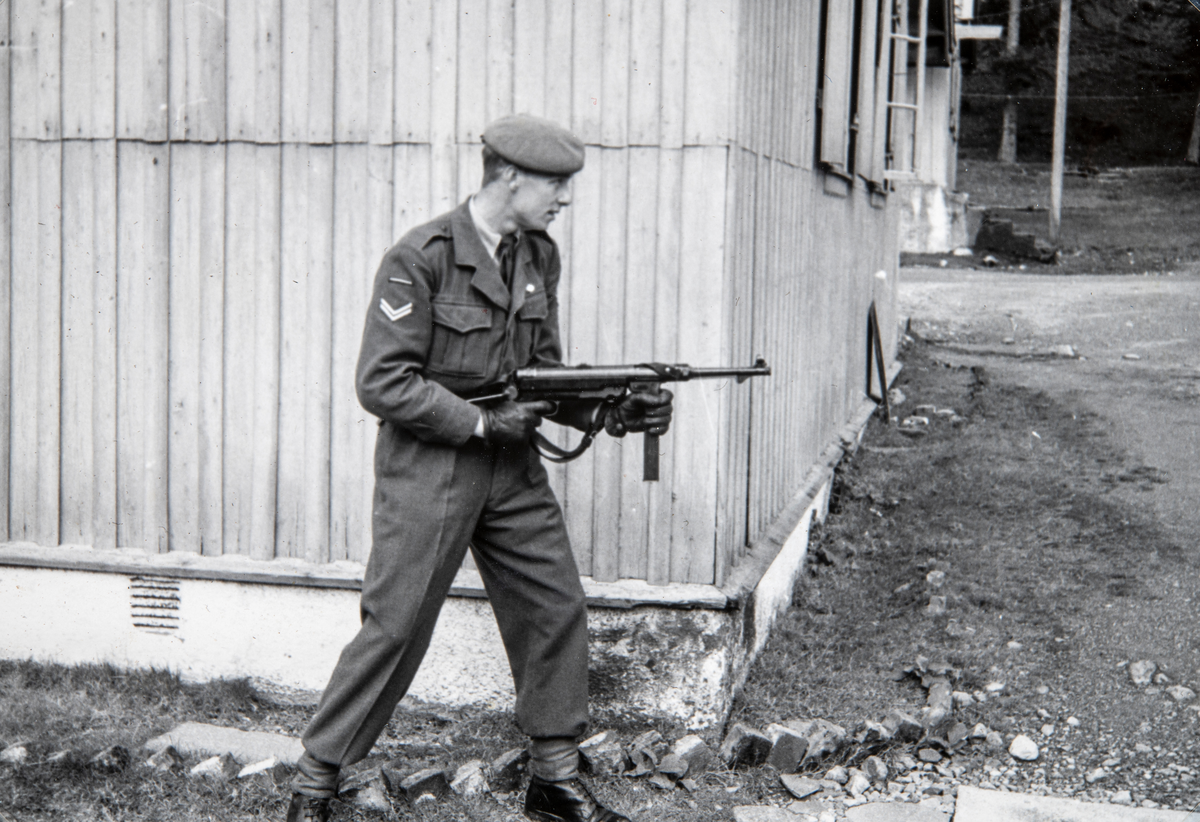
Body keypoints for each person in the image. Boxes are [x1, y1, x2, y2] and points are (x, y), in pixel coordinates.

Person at [286, 114, 674, 822]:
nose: (565, 198)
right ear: (509, 176)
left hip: (512, 471)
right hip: (431, 467)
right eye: (557, 183)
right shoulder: (422, 256)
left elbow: (542, 377)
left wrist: (613, 412)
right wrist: (478, 421)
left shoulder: (537, 258)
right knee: (396, 624)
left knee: (554, 606)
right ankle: (317, 780)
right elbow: (383, 382)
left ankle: (553, 781)